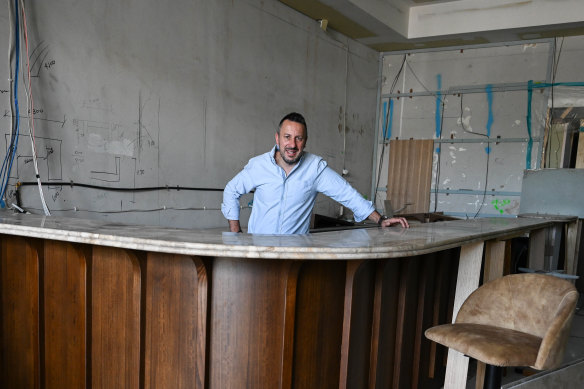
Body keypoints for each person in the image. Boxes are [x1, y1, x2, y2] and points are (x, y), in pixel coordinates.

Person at [221, 112, 409, 234]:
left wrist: (381, 220)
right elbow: (231, 190)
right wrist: (235, 233)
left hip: (295, 255)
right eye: (287, 137)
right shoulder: (259, 165)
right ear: (277, 138)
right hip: (259, 251)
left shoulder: (315, 169)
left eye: (298, 138)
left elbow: (347, 194)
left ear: (305, 141)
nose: (292, 145)